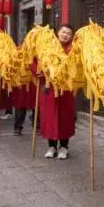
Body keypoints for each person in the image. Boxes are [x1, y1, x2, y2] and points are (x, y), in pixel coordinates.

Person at [34, 24, 76, 160]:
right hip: (49, 87)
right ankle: (51, 146)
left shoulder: (74, 49)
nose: (65, 35)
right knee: (49, 116)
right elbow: (34, 59)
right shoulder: (48, 45)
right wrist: (38, 71)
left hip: (66, 89)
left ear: (71, 36)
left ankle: (64, 147)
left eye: (68, 33)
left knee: (65, 117)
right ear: (58, 33)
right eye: (63, 32)